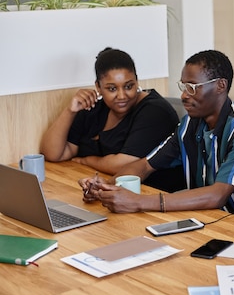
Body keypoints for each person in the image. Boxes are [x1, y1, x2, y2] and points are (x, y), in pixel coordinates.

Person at [79, 49, 234, 215]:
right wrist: (107, 186)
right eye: (183, 86)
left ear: (220, 86)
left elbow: (218, 195)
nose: (183, 96)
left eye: (191, 88)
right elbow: (145, 165)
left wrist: (139, 202)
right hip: (205, 219)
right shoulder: (190, 123)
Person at [40, 47, 184, 192]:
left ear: (136, 80)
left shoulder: (155, 111)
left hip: (151, 193)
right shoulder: (94, 107)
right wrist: (70, 111)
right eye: (112, 89)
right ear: (98, 87)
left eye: (129, 86)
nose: (122, 96)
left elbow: (123, 165)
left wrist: (86, 160)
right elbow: (53, 154)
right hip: (104, 188)